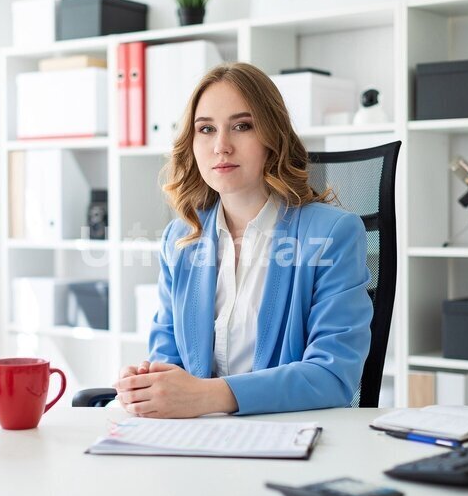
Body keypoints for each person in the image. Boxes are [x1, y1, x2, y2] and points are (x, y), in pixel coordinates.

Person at [113, 62, 373, 418]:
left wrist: (208, 396)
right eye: (205, 129)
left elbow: (332, 376)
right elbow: (168, 360)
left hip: (289, 438)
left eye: (242, 126)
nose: (221, 146)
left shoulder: (332, 234)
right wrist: (148, 386)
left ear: (272, 137)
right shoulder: (181, 239)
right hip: (197, 440)